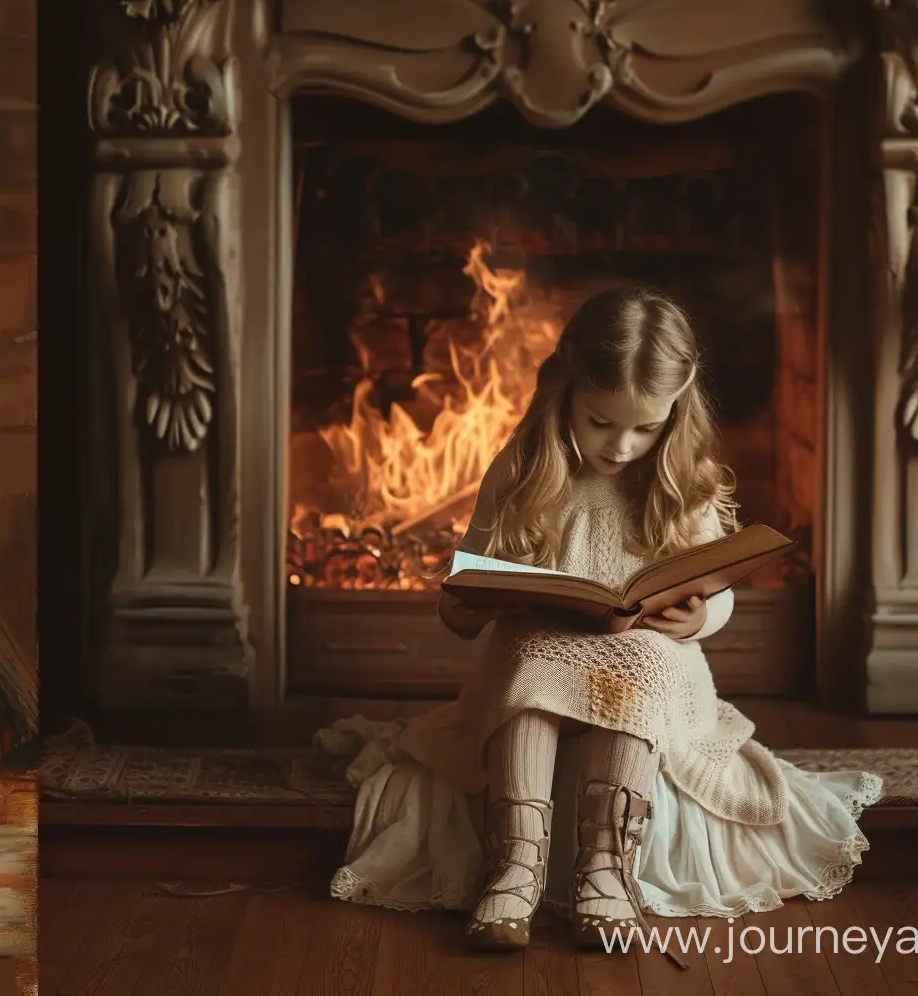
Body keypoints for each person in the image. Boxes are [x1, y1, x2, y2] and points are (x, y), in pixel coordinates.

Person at [320, 287, 879, 949]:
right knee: (528, 653)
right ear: (564, 392)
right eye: (601, 422)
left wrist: (700, 616)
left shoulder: (682, 478)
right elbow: (467, 582)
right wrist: (468, 604)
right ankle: (515, 868)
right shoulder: (523, 469)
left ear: (675, 412)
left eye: (646, 428)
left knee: (641, 664)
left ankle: (604, 870)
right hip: (539, 649)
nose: (622, 445)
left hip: (647, 655)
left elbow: (715, 587)